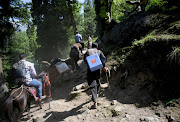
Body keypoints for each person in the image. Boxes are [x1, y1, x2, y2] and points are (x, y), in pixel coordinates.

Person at [84, 42, 107, 109]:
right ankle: (96, 96)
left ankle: (95, 102)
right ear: (97, 47)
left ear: (92, 46)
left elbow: (85, 60)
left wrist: (90, 64)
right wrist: (104, 67)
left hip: (90, 70)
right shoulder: (99, 51)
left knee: (92, 83)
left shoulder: (88, 51)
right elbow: (103, 59)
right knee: (97, 82)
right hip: (98, 69)